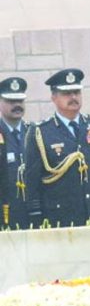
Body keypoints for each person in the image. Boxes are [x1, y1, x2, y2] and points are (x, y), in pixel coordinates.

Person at [24, 69, 90, 228]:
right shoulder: (41, 132)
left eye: (77, 92)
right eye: (67, 93)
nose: (73, 97)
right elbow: (32, 182)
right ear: (54, 97)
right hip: (60, 219)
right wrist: (36, 217)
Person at [0, 77, 30, 229]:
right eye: (11, 101)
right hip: (4, 212)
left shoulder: (33, 132)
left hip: (31, 212)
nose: (17, 105)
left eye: (20, 101)